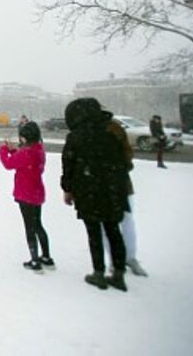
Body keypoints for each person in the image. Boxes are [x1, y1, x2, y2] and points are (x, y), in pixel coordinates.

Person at [60, 97, 130, 291]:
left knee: (94, 233)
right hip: (113, 190)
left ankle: (98, 272)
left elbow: (68, 165)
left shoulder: (76, 136)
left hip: (88, 189)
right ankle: (118, 273)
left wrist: (67, 189)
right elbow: (125, 161)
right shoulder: (111, 131)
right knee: (113, 231)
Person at [0, 121, 53, 271]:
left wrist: (4, 149)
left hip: (25, 193)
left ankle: (34, 259)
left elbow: (9, 164)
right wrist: (14, 150)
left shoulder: (26, 153)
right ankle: (46, 256)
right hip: (36, 192)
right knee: (38, 225)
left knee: (29, 227)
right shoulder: (38, 150)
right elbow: (22, 159)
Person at [102, 119, 148, 277]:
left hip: (120, 184)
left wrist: (119, 167)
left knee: (126, 221)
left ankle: (130, 257)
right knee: (108, 225)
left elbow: (127, 152)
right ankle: (115, 261)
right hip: (104, 185)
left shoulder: (113, 126)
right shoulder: (97, 127)